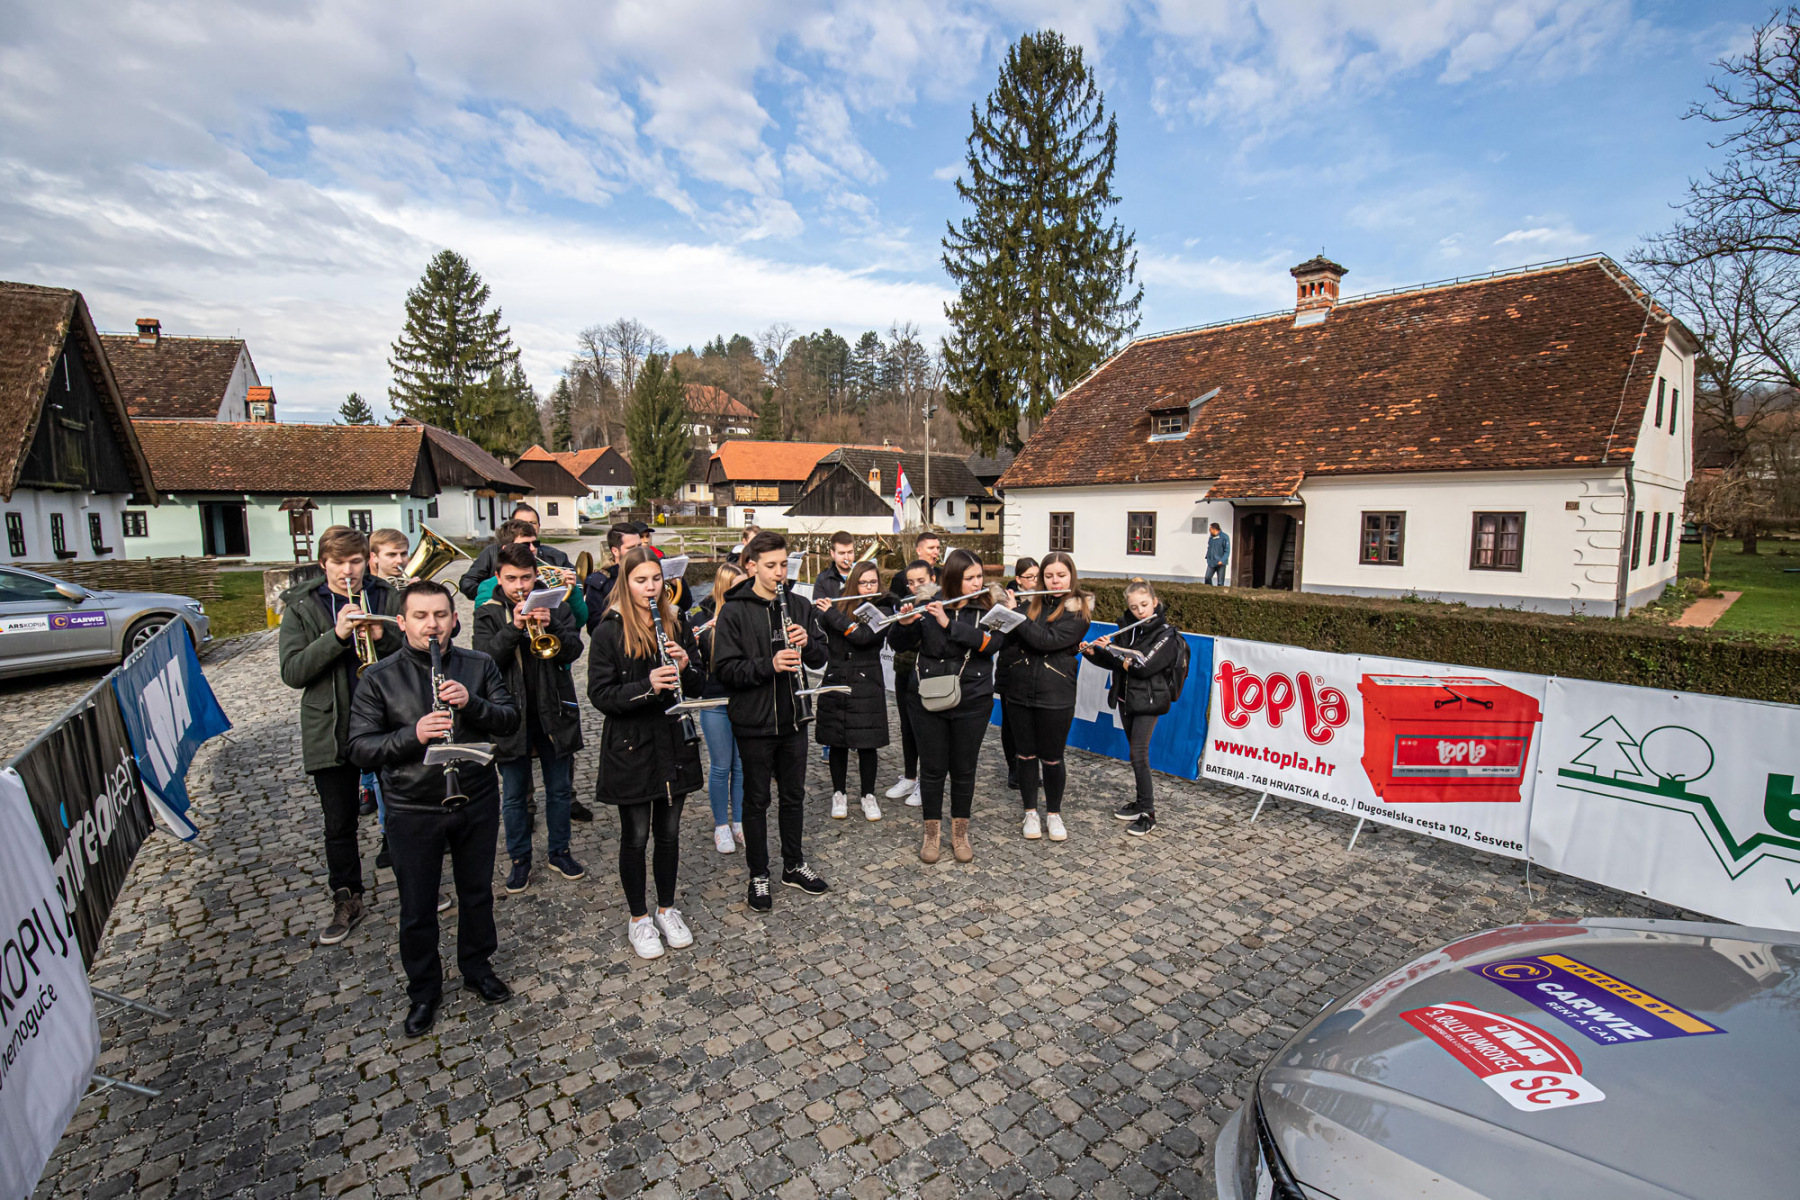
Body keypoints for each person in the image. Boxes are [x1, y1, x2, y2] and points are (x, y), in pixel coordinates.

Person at [346, 579, 520, 1037]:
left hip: (475, 796)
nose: (432, 625)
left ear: (454, 619)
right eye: (421, 616)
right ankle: (423, 991)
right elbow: (359, 748)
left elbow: (509, 719)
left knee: (477, 892)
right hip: (412, 806)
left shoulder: (478, 664)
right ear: (401, 623)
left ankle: (477, 968)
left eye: (441, 615)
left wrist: (473, 704)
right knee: (418, 906)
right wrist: (415, 735)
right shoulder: (378, 677)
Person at [278, 525, 404, 946]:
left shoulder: (385, 596)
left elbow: (416, 651)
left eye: (355, 562)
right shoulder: (302, 606)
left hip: (386, 721)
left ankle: (414, 882)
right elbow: (293, 672)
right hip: (331, 727)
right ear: (323, 564)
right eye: (338, 563)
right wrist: (336, 636)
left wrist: (386, 638)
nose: (348, 572)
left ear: (366, 560)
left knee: (402, 809)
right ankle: (347, 897)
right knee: (339, 822)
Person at [588, 546, 707, 959]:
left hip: (674, 742)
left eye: (656, 579)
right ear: (626, 582)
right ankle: (638, 917)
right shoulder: (608, 631)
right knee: (636, 836)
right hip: (631, 747)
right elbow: (600, 695)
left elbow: (698, 685)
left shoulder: (675, 622)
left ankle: (667, 909)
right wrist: (647, 686)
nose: (651, 587)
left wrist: (686, 666)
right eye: (641, 580)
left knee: (670, 834)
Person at [712, 530, 829, 911]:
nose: (780, 573)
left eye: (783, 565)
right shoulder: (734, 610)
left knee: (794, 796)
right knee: (757, 800)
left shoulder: (798, 604)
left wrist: (807, 643)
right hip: (754, 721)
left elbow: (820, 657)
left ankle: (793, 865)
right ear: (751, 566)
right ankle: (758, 873)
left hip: (794, 716)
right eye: (771, 566)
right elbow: (725, 670)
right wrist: (770, 664)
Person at [474, 543, 586, 892]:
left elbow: (574, 649)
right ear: (498, 577)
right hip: (510, 716)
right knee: (514, 796)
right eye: (511, 579)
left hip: (553, 711)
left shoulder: (555, 603)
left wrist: (554, 626)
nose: (519, 586)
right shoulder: (488, 612)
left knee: (559, 790)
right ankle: (519, 859)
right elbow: (484, 662)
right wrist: (513, 628)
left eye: (525, 577)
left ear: (536, 575)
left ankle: (559, 852)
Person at [888, 548, 1004, 864]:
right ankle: (932, 834)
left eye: (979, 576)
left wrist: (948, 623)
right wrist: (905, 623)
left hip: (973, 699)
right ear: (953, 579)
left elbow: (991, 645)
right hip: (928, 697)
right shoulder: (928, 603)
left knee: (964, 768)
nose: (977, 583)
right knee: (933, 767)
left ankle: (960, 833)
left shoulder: (989, 608)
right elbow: (898, 644)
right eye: (970, 578)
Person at [999, 551, 1091, 842]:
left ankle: (1053, 813)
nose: (1055, 581)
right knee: (1025, 755)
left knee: (1052, 758)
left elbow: (1045, 641)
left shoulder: (1079, 610)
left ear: (1071, 576)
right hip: (1020, 690)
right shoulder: (1030, 605)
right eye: (1048, 576)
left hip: (1056, 694)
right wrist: (1004, 614)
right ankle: (1030, 812)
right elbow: (1010, 641)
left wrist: (1016, 617)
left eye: (1061, 575)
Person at [1082, 579, 1184, 837]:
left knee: (1138, 754)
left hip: (1149, 701)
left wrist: (1113, 650)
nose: (1140, 611)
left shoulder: (1166, 635)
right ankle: (1140, 802)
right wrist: (1094, 653)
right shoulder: (1128, 629)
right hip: (1126, 699)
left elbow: (1143, 667)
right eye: (1134, 607)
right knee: (1135, 755)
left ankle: (1148, 813)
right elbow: (1116, 664)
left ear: (1155, 602)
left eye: (1144, 605)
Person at [812, 560, 888, 822]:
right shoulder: (841, 604)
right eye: (863, 582)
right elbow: (825, 634)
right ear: (854, 583)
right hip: (837, 674)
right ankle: (839, 793)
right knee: (837, 739)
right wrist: (821, 613)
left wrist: (832, 614)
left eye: (873, 582)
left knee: (868, 741)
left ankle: (868, 795)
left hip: (867, 680)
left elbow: (863, 637)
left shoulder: (883, 608)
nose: (868, 587)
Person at [692, 562, 747, 853]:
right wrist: (698, 639)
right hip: (714, 700)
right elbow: (693, 664)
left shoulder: (746, 614)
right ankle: (721, 826)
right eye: (738, 586)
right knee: (721, 765)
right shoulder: (702, 616)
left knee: (741, 765)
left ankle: (739, 821)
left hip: (743, 699)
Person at [469, 519, 590, 629]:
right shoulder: (488, 587)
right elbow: (485, 628)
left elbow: (580, 621)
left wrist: (571, 590)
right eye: (525, 545)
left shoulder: (553, 578)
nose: (532, 549)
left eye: (535, 543)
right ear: (506, 548)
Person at [882, 559, 935, 805]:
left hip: (929, 676)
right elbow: (895, 641)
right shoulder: (906, 602)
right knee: (907, 726)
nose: (915, 587)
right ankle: (910, 777)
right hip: (905, 671)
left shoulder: (940, 604)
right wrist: (901, 624)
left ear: (933, 580)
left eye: (921, 581)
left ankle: (927, 782)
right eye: (911, 583)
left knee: (927, 730)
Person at [459, 503, 572, 598]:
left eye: (532, 523)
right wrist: (493, 593)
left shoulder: (557, 556)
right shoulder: (491, 552)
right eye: (521, 522)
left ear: (539, 526)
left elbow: (577, 593)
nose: (527, 526)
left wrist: (570, 586)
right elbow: (467, 583)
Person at [996, 557, 1039, 792]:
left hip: (1034, 667)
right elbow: (1003, 634)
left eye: (1038, 576)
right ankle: (1014, 769)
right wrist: (1016, 608)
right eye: (1030, 577)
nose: (1035, 581)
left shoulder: (1042, 598)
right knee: (1011, 722)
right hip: (1010, 666)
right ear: (1019, 579)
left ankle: (1030, 767)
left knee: (1033, 722)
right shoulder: (1007, 599)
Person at [584, 523, 642, 630]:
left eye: (639, 546)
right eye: (631, 548)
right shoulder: (600, 582)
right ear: (615, 551)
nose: (638, 552)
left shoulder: (650, 572)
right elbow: (594, 626)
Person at [887, 530, 942, 601]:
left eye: (938, 548)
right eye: (931, 548)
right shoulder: (899, 578)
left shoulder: (943, 574)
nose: (936, 552)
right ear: (919, 551)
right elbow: (895, 603)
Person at [813, 531, 856, 601]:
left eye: (850, 552)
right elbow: (817, 607)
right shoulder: (823, 579)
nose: (846, 557)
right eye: (842, 553)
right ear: (832, 553)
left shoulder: (863, 574)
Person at [1205, 522, 1231, 587]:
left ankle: (1219, 592)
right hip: (1211, 562)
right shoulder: (1211, 538)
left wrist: (1222, 560)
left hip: (1220, 563)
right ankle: (1210, 590)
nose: (1209, 531)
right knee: (1207, 577)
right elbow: (1209, 547)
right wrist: (1207, 556)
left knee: (1220, 582)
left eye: (1210, 529)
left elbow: (1227, 550)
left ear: (1214, 529)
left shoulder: (1224, 537)